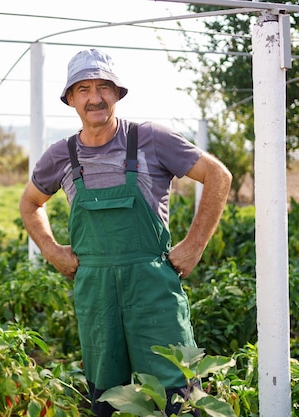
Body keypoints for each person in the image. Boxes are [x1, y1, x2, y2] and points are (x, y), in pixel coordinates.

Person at [19, 48, 232, 417]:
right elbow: (29, 204)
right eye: (83, 89)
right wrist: (51, 249)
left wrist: (194, 245)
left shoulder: (151, 139)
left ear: (117, 93)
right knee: (107, 398)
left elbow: (218, 175)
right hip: (96, 292)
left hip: (152, 288)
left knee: (177, 397)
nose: (95, 97)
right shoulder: (61, 155)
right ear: (70, 98)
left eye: (104, 87)